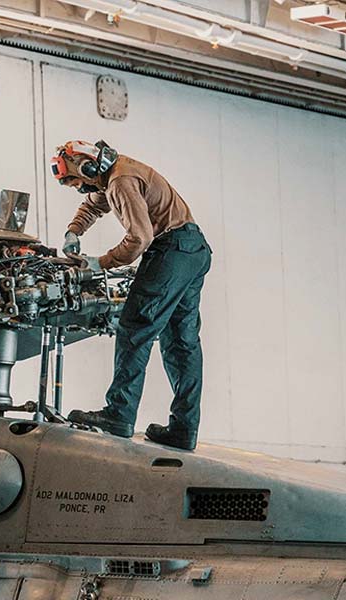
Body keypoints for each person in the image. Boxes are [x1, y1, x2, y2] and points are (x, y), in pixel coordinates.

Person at [47, 140, 212, 451]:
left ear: (88, 167)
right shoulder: (115, 172)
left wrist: (100, 263)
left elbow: (139, 238)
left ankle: (119, 414)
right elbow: (95, 202)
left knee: (135, 327)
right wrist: (74, 230)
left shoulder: (121, 181)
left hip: (171, 249)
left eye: (77, 182)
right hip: (193, 249)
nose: (80, 190)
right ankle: (184, 428)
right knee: (181, 342)